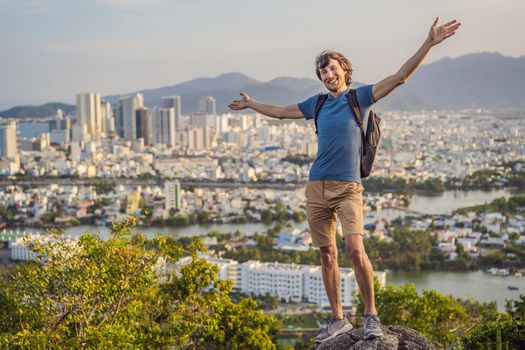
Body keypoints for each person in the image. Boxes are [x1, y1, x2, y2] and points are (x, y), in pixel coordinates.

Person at [228, 17, 460, 344]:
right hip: (316, 187)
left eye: (333, 68)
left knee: (354, 248)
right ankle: (338, 318)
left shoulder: (359, 98)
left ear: (344, 70)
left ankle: (371, 315)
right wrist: (251, 104)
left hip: (349, 188)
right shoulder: (318, 104)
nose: (328, 74)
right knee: (327, 254)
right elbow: (281, 111)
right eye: (323, 72)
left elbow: (400, 77)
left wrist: (429, 43)